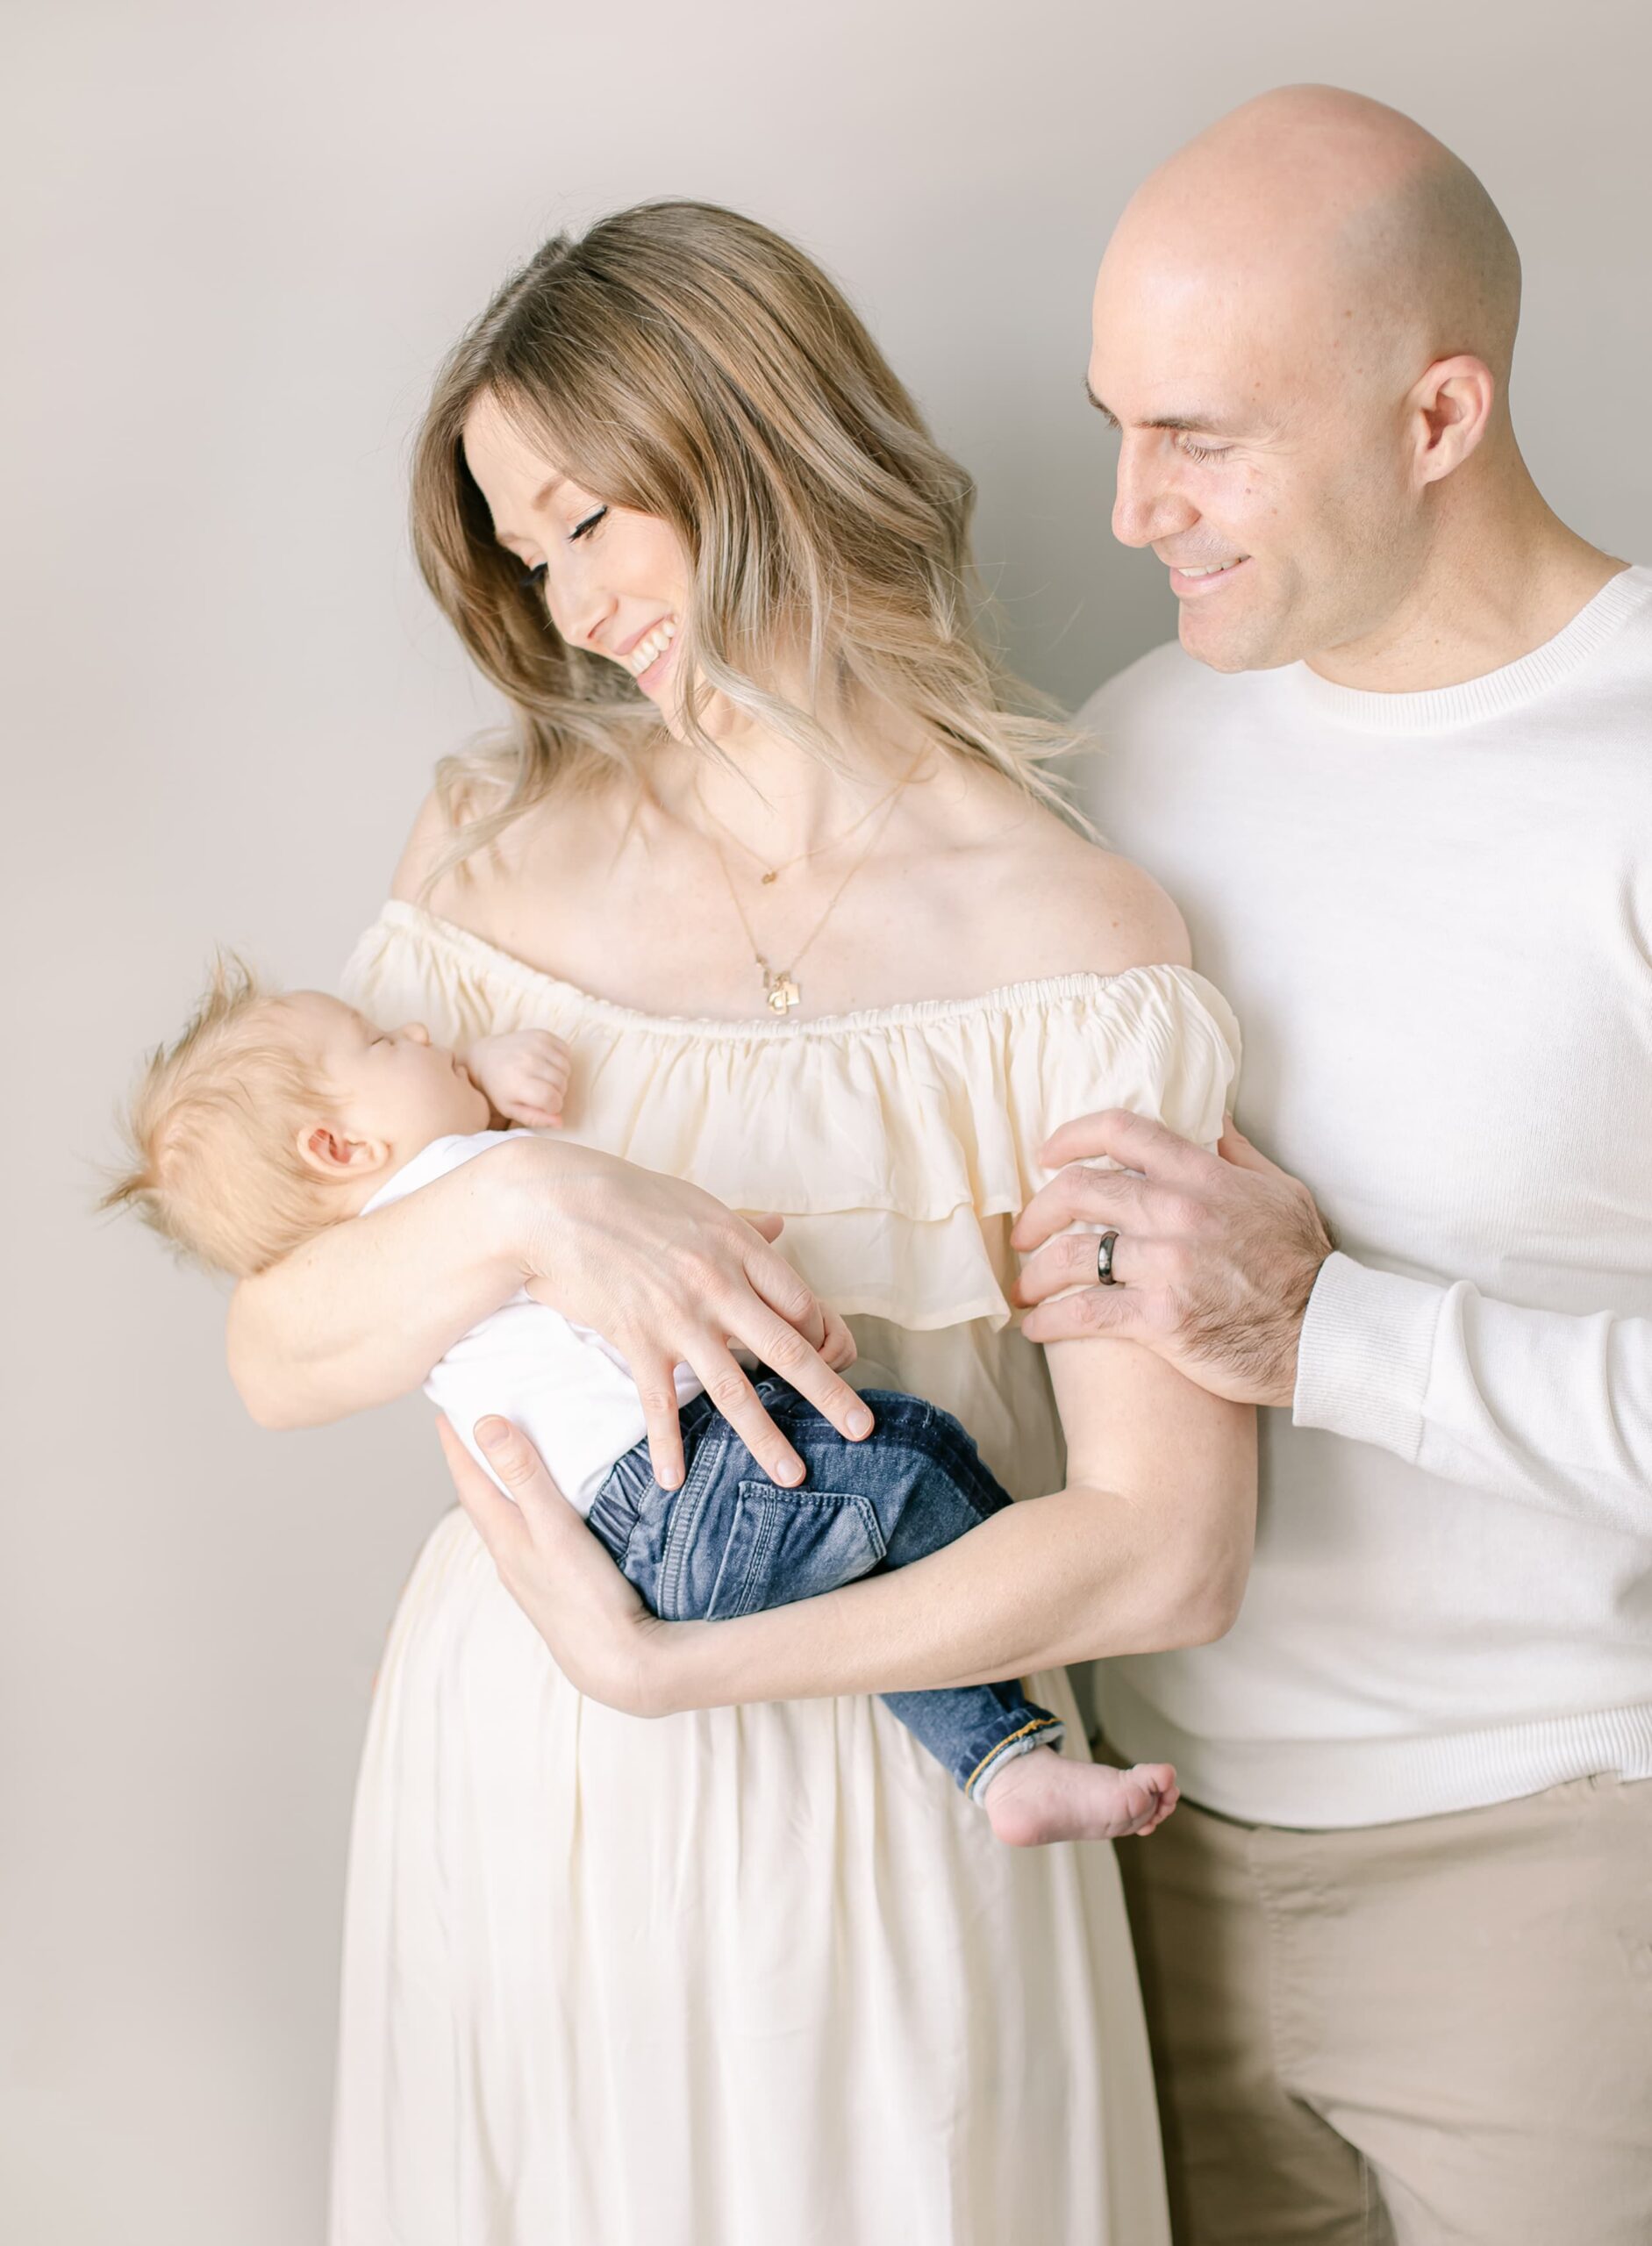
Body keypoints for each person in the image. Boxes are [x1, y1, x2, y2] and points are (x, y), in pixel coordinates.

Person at [222, 200, 1255, 2243]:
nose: (572, 601)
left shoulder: (1077, 938)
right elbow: (279, 1348)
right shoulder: (493, 843)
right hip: (517, 1773)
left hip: (896, 1798)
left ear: (755, 439)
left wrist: (682, 1674)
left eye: (593, 517)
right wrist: (531, 1192)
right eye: (526, 552)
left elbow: (1168, 1547)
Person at [1005, 84, 1652, 2246]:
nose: (1125, 506)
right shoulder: (1124, 759)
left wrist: (1327, 1328)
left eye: (1199, 435)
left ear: (1439, 413)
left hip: (1568, 1880)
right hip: (1146, 1862)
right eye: (1119, 424)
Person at [109, 962, 1179, 1844]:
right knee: (907, 1461)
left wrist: (473, 1073)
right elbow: (458, 1179)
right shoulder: (454, 1185)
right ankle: (1025, 1654)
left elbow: (448, 1152)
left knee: (877, 1536)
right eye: (385, 1040)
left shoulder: (399, 1238)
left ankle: (1003, 1765)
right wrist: (485, 1082)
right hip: (679, 1486)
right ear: (339, 1149)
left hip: (639, 1529)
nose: (423, 1026)